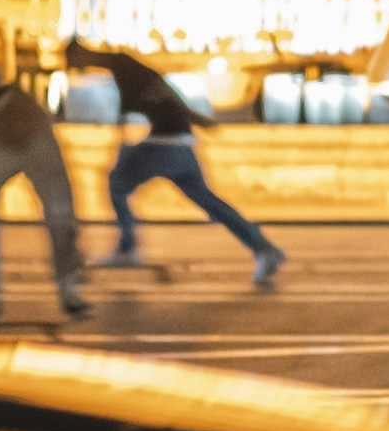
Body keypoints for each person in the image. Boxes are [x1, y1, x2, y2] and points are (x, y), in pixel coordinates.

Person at [65, 39, 284, 287]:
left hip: (165, 143)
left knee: (117, 184)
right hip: (181, 143)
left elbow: (124, 118)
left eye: (74, 63)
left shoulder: (121, 65)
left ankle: (127, 248)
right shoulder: (129, 65)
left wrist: (120, 148)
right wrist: (197, 120)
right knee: (210, 202)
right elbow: (170, 97)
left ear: (81, 54)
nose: (76, 68)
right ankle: (264, 249)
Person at [0, 59, 88, 322]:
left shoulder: (28, 112)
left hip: (37, 145)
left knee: (59, 217)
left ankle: (69, 289)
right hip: (0, 147)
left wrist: (72, 242)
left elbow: (61, 190)